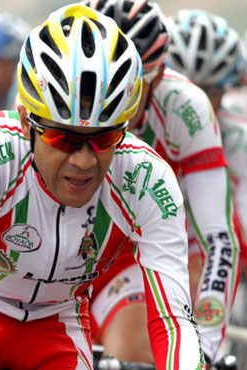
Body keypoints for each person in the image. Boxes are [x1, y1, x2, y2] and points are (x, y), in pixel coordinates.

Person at [0, 4, 205, 370]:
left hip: (56, 324)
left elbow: (173, 321)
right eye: (63, 138)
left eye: (105, 138)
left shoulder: (146, 179)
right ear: (27, 123)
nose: (83, 160)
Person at [84, 0, 240, 366]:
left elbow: (216, 237)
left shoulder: (185, 106)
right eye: (105, 84)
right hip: (70, 251)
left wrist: (206, 345)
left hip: (138, 252)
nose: (118, 99)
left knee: (134, 353)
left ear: (159, 74)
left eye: (132, 86)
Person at [166, 7, 247, 361]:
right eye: (185, 88)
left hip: (216, 264)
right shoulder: (141, 126)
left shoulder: (238, 136)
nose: (196, 104)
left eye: (210, 91)